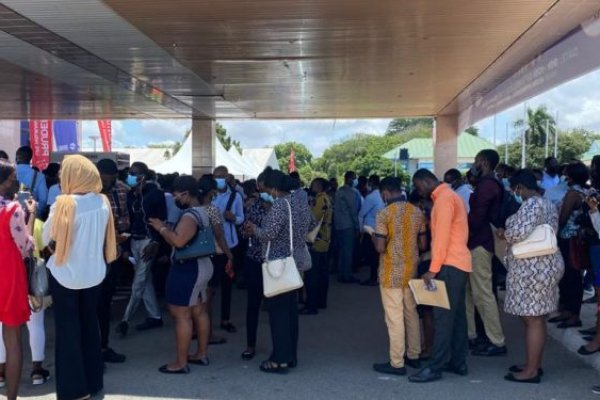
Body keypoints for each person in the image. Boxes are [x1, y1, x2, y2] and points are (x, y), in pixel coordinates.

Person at [43, 155, 117, 400]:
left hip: (65, 274)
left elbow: (46, 237)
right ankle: (94, 381)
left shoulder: (64, 203)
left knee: (68, 332)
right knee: (89, 327)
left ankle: (75, 390)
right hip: (94, 273)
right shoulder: (103, 201)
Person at [148, 176, 229, 373]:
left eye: (176, 195)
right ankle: (201, 354)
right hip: (204, 264)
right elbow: (218, 233)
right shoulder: (207, 210)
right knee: (200, 311)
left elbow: (178, 241)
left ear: (185, 193)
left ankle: (181, 363)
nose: (175, 199)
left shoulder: (190, 215)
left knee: (181, 314)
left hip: (188, 269)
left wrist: (162, 228)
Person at [409, 169, 471, 383]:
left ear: (426, 181)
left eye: (418, 187)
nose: (419, 192)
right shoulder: (451, 196)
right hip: (459, 264)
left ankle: (436, 366)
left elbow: (442, 239)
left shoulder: (444, 200)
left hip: (448, 265)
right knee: (458, 317)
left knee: (442, 318)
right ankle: (458, 362)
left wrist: (432, 270)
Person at [245, 170, 311, 373]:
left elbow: (268, 234)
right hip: (294, 263)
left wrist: (253, 229)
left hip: (278, 265)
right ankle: (290, 355)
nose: (265, 193)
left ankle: (280, 360)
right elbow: (311, 224)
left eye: (265, 189)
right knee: (290, 313)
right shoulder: (300, 202)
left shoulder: (281, 204)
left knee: (278, 314)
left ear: (273, 188)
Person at [502, 169, 564, 384]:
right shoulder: (546, 203)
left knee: (532, 319)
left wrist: (505, 229)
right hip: (544, 266)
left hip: (533, 269)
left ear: (519, 187)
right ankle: (533, 363)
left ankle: (531, 371)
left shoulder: (531, 204)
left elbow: (516, 233)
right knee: (536, 318)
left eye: (514, 189)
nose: (514, 193)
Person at [372, 177, 426, 376]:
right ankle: (414, 355)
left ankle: (396, 362)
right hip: (411, 269)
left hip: (390, 271)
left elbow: (380, 247)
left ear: (385, 192)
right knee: (411, 313)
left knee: (394, 317)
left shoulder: (383, 214)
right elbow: (422, 245)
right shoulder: (417, 212)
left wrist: (372, 236)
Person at [117, 161, 166, 337]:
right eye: (129, 172)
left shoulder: (156, 195)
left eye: (134, 173)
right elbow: (126, 221)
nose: (130, 176)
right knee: (145, 280)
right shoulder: (130, 196)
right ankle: (155, 316)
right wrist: (125, 246)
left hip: (148, 242)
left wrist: (156, 242)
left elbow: (163, 221)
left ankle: (125, 319)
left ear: (143, 176)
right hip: (133, 241)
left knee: (138, 282)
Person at [0, 160, 36, 400]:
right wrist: (31, 214)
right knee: (13, 339)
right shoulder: (13, 209)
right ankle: (11, 397)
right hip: (8, 276)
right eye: (13, 179)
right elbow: (26, 246)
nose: (16, 185)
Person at [466, 149, 507, 356]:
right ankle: (476, 335)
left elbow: (477, 217)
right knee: (474, 292)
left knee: (483, 294)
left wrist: (463, 233)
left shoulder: (487, 186)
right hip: (480, 241)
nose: (474, 164)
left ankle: (496, 340)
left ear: (483, 162)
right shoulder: (491, 183)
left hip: (480, 242)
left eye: (476, 161)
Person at [97, 159, 130, 363]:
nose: (107, 184)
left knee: (105, 303)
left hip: (113, 253)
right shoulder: (88, 191)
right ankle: (92, 350)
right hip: (92, 257)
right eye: (104, 180)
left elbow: (125, 216)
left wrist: (118, 230)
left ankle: (103, 346)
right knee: (92, 304)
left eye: (111, 180)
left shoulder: (121, 190)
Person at [551, 162, 590, 328]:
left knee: (570, 277)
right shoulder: (586, 191)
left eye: (567, 174)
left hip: (568, 239)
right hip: (577, 239)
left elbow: (563, 217)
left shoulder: (573, 194)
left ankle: (572, 314)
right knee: (571, 276)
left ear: (572, 176)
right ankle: (568, 311)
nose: (564, 177)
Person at [241, 173, 271, 360]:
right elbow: (244, 232)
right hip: (254, 259)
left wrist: (258, 231)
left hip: (275, 262)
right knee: (253, 304)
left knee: (276, 307)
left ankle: (280, 348)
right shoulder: (253, 208)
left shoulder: (282, 208)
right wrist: (247, 230)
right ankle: (250, 345)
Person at [212, 165, 244, 333]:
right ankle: (205, 321)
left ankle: (226, 319)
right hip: (211, 245)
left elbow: (241, 219)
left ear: (228, 177)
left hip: (229, 245)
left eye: (222, 176)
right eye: (216, 176)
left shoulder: (235, 196)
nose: (219, 179)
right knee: (208, 286)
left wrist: (234, 218)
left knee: (226, 285)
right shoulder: (209, 196)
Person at [301, 178, 333, 315]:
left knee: (312, 275)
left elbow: (313, 218)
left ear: (319, 186)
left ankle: (311, 305)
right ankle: (321, 301)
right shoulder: (327, 198)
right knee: (322, 273)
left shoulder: (320, 200)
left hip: (316, 240)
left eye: (313, 184)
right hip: (324, 239)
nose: (311, 186)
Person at [359, 175, 385, 286]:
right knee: (378, 255)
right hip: (381, 229)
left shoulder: (371, 197)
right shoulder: (383, 195)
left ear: (371, 183)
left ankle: (373, 278)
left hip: (370, 230)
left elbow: (361, 214)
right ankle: (378, 277)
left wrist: (360, 230)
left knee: (372, 256)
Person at [334, 171, 360, 283]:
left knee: (342, 251)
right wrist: (357, 226)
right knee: (348, 251)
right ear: (349, 179)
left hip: (339, 225)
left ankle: (341, 274)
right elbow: (353, 211)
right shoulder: (350, 192)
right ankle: (347, 275)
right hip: (348, 225)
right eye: (354, 178)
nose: (355, 180)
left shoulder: (339, 191)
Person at [15, 146, 48, 218]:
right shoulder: (39, 176)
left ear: (16, 158)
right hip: (30, 216)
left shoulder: (9, 172)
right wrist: (37, 214)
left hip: (10, 215)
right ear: (30, 159)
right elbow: (43, 199)